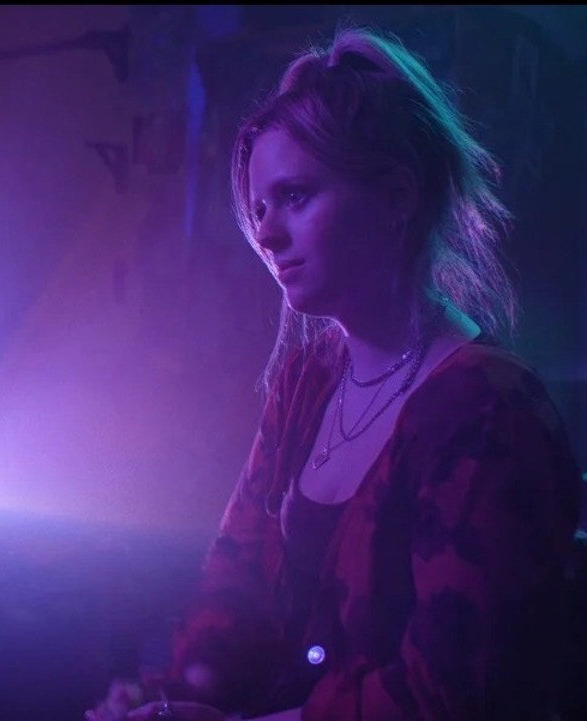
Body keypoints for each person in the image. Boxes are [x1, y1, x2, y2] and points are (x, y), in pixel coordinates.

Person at [87, 26, 581, 721]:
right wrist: (167, 697)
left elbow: (450, 696)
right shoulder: (309, 379)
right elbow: (234, 585)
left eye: (295, 197)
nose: (266, 233)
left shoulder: (488, 409)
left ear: (397, 196)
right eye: (260, 208)